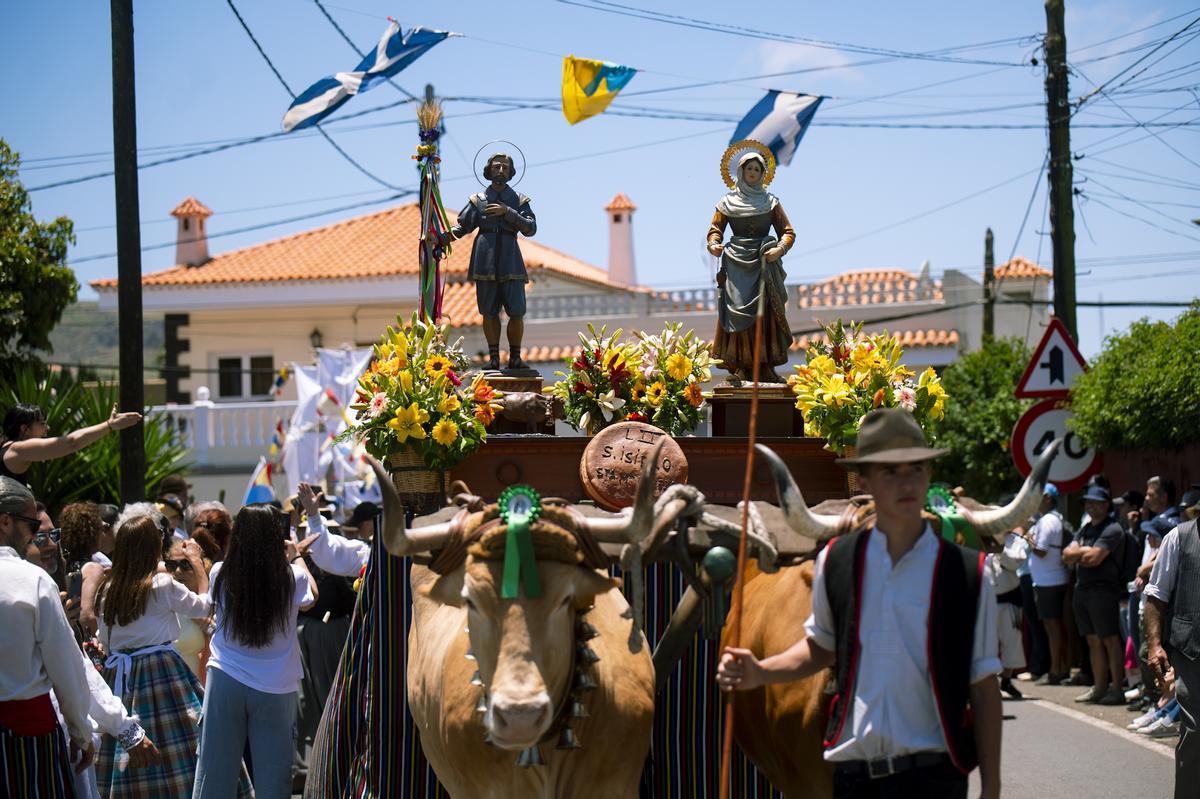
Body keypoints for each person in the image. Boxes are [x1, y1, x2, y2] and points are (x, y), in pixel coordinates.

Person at [716, 408, 1002, 799]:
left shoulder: (969, 573)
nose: (907, 482)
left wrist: (992, 786)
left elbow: (984, 686)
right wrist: (761, 671)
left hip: (936, 777)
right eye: (890, 471)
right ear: (863, 479)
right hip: (855, 777)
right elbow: (820, 648)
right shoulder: (837, 561)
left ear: (929, 474)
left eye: (916, 468)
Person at [95, 513, 250, 798]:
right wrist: (197, 564)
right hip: (163, 673)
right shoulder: (161, 586)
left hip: (120, 677)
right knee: (187, 745)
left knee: (124, 749)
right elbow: (205, 606)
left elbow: (105, 641)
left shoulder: (107, 589)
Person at [193, 505, 317, 799]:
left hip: (225, 677)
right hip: (276, 685)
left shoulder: (220, 572)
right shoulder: (293, 577)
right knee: (274, 778)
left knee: (214, 772)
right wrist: (296, 555)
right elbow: (312, 598)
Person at [0, 476, 96, 797]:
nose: (34, 535)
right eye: (31, 525)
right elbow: (66, 665)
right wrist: (81, 732)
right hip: (27, 731)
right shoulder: (34, 580)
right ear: (5, 522)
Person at [706, 149, 795, 384]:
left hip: (764, 264)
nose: (753, 172)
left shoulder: (771, 202)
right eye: (749, 168)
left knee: (764, 315)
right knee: (736, 312)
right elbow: (715, 230)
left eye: (757, 169)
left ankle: (765, 367)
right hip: (736, 265)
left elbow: (788, 232)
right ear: (741, 171)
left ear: (763, 174)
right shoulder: (726, 203)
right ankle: (741, 366)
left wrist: (779, 250)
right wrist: (713, 244)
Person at [442, 152, 537, 371]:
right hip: (485, 259)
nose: (500, 170)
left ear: (511, 172)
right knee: (489, 311)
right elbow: (462, 227)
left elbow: (530, 228)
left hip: (510, 259)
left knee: (516, 311)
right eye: (496, 167)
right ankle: (494, 358)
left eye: (505, 167)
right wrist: (441, 238)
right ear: (488, 171)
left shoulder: (519, 200)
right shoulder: (478, 201)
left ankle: (515, 358)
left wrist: (508, 212)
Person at [1144, 499, 1199, 798]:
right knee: (1195, 733)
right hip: (1193, 651)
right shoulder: (1180, 537)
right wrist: (1155, 646)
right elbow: (1156, 595)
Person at [1063, 485, 1127, 705]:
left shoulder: (1112, 529)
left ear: (1106, 504)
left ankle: (1116, 689)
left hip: (1103, 591)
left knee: (1110, 639)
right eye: (1087, 502)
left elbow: (1094, 559)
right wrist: (1082, 552)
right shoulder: (1085, 529)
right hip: (1082, 589)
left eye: (1095, 502)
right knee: (1092, 640)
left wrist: (1079, 552)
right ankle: (1099, 687)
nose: (1090, 506)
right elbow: (1066, 555)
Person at [0, 403, 141, 485]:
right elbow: (71, 442)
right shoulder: (18, 449)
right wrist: (109, 425)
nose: (47, 428)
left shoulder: (8, 448)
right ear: (25, 429)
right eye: (42, 423)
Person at [1026, 483, 1071, 683]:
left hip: (1048, 581)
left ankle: (1055, 671)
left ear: (1047, 498)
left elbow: (1041, 550)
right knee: (1054, 626)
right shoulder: (1052, 519)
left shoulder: (1046, 521)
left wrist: (1028, 539)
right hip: (1049, 580)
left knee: (1052, 627)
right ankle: (1060, 667)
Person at [986, 525, 1028, 700]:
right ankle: (986, 682)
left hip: (1010, 597)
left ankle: (1006, 679)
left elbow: (1016, 562)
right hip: (987, 598)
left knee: (1012, 640)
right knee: (986, 642)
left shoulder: (1014, 541)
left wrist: (1000, 548)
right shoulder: (980, 538)